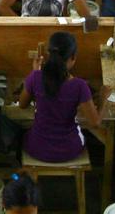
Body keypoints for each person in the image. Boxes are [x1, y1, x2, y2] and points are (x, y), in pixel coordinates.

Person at [19, 32, 102, 164]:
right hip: (69, 150)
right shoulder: (79, 86)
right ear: (73, 57)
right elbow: (95, 123)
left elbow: (22, 104)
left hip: (37, 147)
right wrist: (105, 100)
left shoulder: (35, 77)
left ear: (49, 54)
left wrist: (34, 72)